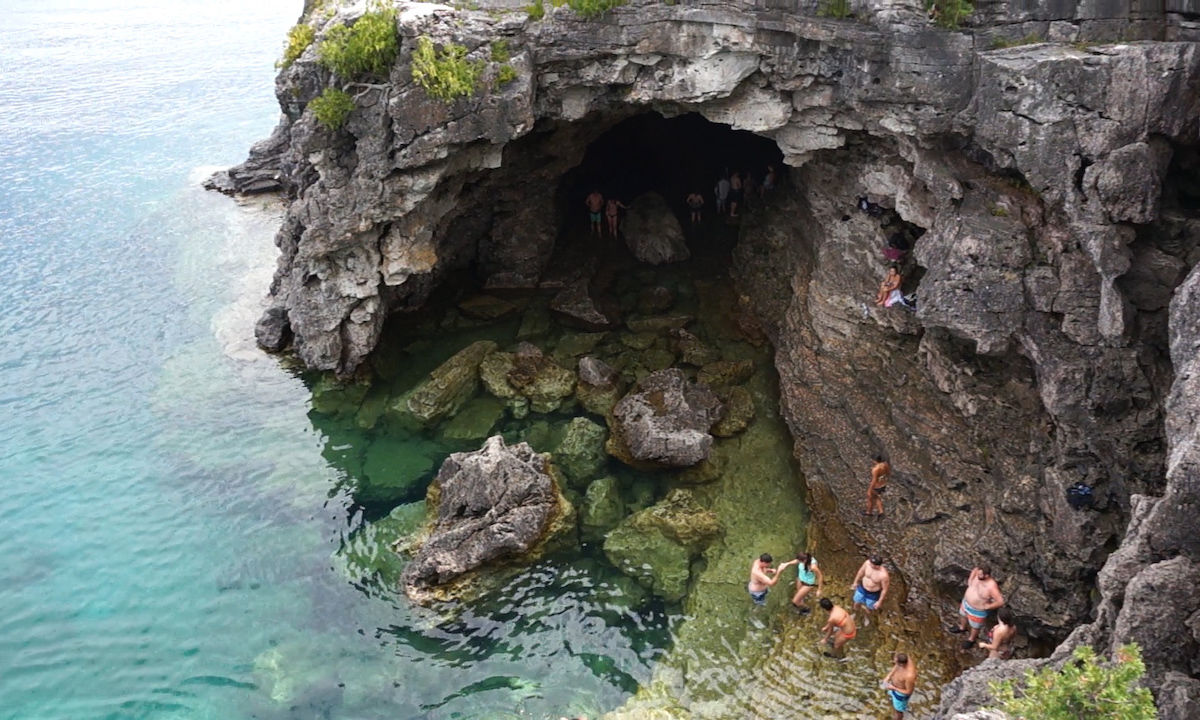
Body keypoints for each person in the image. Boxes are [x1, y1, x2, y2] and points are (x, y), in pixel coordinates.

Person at [952, 564, 1005, 649]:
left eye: (980, 575)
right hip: (966, 603)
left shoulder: (991, 587)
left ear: (987, 575)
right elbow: (975, 569)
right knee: (962, 615)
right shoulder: (977, 572)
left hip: (977, 610)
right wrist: (970, 579)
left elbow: (1000, 601)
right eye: (978, 573)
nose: (978, 575)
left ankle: (971, 639)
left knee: (975, 626)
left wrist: (988, 607)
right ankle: (962, 627)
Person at [850, 554, 890, 619]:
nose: (870, 564)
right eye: (871, 562)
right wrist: (855, 582)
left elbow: (884, 589)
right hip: (862, 587)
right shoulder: (867, 563)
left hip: (873, 593)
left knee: (869, 607)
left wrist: (879, 601)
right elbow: (861, 572)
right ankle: (855, 613)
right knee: (857, 601)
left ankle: (866, 617)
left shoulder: (883, 575)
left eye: (872, 564)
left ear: (877, 566)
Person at [883, 652, 918, 719]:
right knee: (893, 702)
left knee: (898, 712)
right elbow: (896, 666)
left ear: (901, 664)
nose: (894, 662)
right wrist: (888, 677)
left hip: (900, 694)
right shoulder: (905, 657)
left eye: (895, 661)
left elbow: (909, 692)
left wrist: (894, 688)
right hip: (893, 687)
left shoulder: (909, 676)